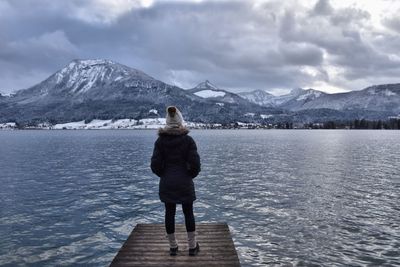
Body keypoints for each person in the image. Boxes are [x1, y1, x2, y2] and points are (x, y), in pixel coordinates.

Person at [150, 106, 201, 256]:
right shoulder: (188, 140)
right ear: (180, 121)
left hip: (167, 182)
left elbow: (155, 165)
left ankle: (173, 247)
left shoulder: (160, 141)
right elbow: (196, 164)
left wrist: (164, 175)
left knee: (169, 213)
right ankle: (192, 247)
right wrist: (189, 175)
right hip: (185, 181)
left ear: (167, 121)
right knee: (188, 213)